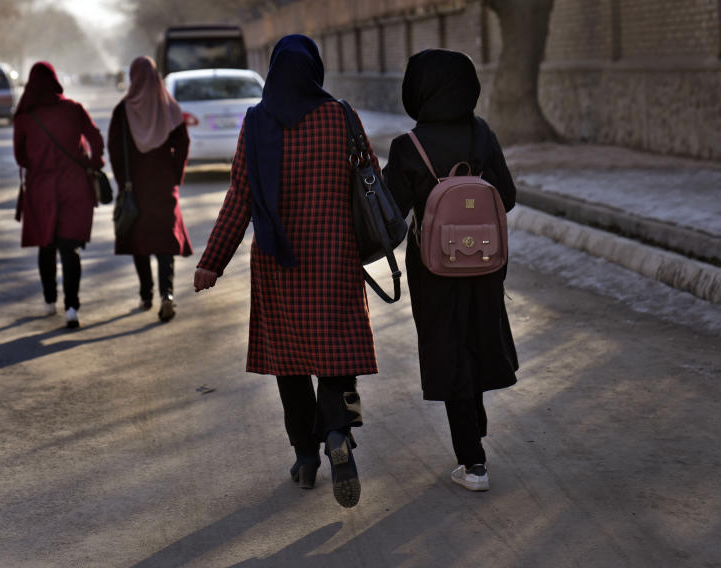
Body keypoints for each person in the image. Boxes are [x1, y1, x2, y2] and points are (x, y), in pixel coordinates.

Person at [194, 34, 378, 508]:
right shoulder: (341, 117)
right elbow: (370, 177)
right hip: (334, 256)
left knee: (290, 365)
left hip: (279, 264)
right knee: (337, 355)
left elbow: (239, 197)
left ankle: (306, 457)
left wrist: (212, 262)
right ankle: (338, 432)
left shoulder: (256, 123)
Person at [382, 49, 518, 492]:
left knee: (450, 351)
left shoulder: (408, 147)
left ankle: (473, 461)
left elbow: (390, 213)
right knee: (477, 343)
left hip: (433, 269)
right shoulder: (482, 136)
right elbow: (508, 197)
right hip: (484, 263)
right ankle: (474, 432)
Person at [13, 61, 105, 329]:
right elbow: (96, 138)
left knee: (46, 245)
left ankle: (49, 300)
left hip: (41, 189)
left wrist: (39, 164)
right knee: (70, 247)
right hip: (75, 187)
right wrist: (93, 162)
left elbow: (20, 156)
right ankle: (72, 308)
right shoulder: (73, 109)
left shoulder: (25, 117)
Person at [109, 56, 193, 322]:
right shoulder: (169, 107)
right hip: (163, 184)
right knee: (165, 240)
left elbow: (114, 149)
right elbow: (183, 143)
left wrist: (123, 182)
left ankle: (146, 294)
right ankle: (166, 294)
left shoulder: (123, 111)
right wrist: (174, 174)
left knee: (139, 240)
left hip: (136, 186)